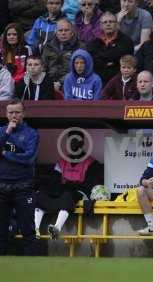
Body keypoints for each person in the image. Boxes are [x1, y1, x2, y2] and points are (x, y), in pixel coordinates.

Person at [35, 130, 103, 239]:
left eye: (76, 140)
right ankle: (35, 229)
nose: (73, 143)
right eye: (71, 140)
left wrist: (70, 185)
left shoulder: (90, 162)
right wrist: (59, 187)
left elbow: (90, 183)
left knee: (67, 196)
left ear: (82, 143)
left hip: (77, 191)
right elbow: (54, 179)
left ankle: (57, 228)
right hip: (61, 189)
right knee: (42, 195)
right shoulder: (62, 161)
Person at [0, 100, 39, 255]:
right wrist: (8, 132)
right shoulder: (2, 131)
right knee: (1, 230)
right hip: (2, 186)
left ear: (23, 113)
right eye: (11, 112)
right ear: (6, 114)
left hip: (23, 186)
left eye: (17, 112)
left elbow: (28, 158)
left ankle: (31, 266)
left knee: (28, 229)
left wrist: (5, 154)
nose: (14, 115)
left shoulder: (31, 134)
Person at [87, 11, 135, 84]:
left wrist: (102, 59)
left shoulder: (126, 41)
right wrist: (109, 62)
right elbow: (92, 60)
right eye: (105, 22)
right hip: (98, 79)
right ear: (101, 25)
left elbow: (124, 61)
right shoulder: (95, 42)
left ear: (116, 24)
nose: (108, 24)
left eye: (111, 22)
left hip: (119, 79)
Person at [41, 18, 85, 92]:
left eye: (66, 30)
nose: (63, 33)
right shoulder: (48, 46)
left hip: (71, 83)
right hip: (49, 83)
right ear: (56, 32)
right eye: (60, 30)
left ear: (72, 32)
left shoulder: (80, 47)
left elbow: (79, 70)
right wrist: (47, 83)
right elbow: (43, 67)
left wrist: (60, 83)